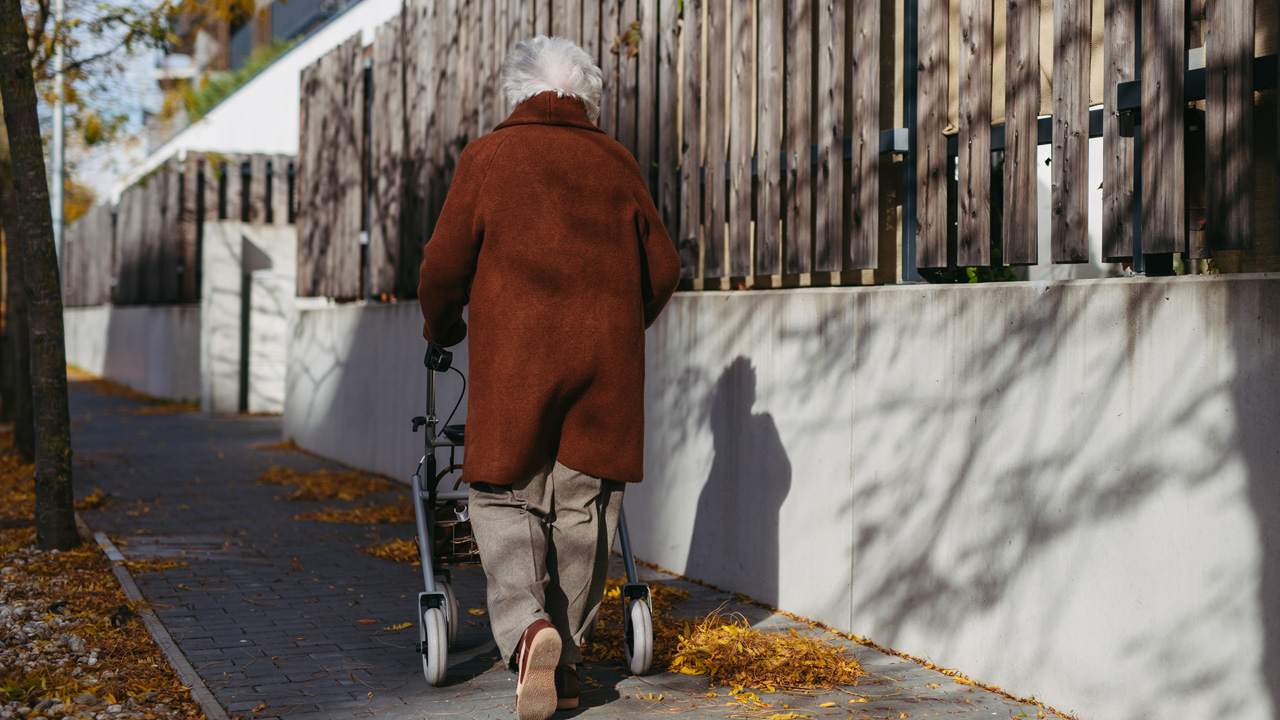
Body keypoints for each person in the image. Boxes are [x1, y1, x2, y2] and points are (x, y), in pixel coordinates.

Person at [417, 35, 681, 720]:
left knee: (504, 500)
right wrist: (623, 325)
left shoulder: (488, 156)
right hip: (603, 368)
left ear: (516, 92)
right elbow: (665, 269)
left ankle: (530, 629)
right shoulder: (616, 161)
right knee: (583, 507)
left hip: (514, 369)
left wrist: (443, 327)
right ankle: (566, 664)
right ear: (587, 96)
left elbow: (442, 268)